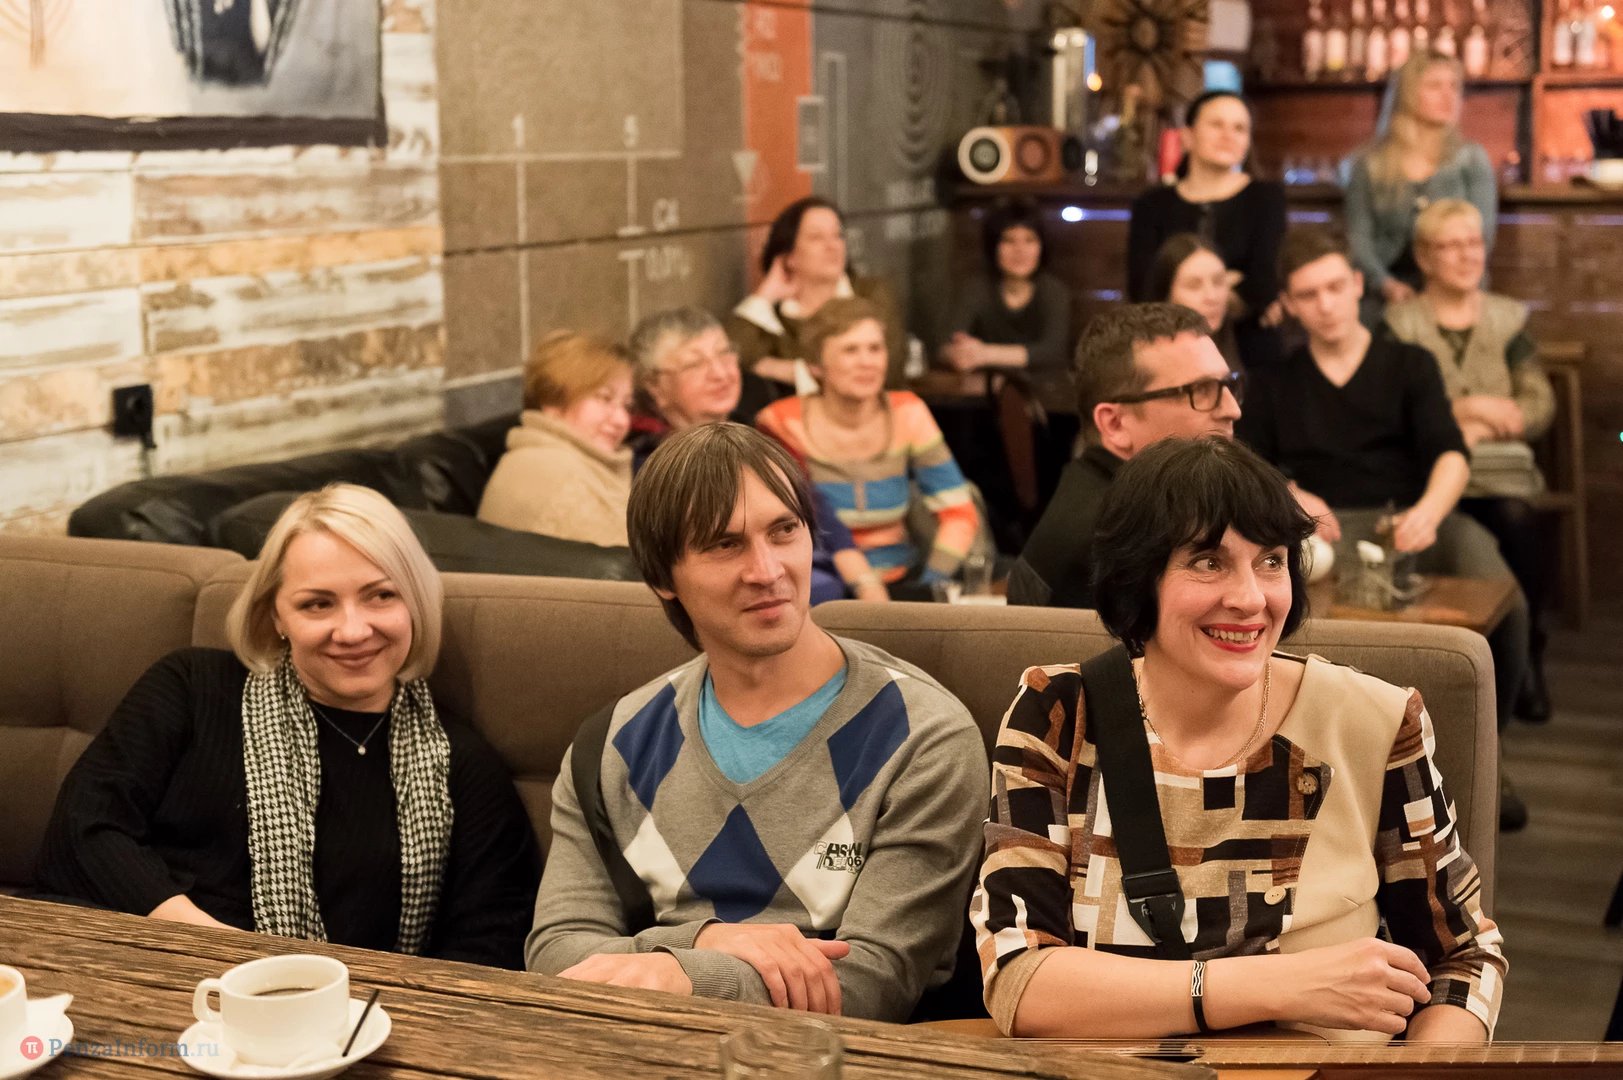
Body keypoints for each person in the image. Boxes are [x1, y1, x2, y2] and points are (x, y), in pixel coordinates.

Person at [976, 436, 1506, 1041]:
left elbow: (1463, 960)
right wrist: (1278, 985)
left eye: (1271, 561)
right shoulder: (1058, 714)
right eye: (1209, 562)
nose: (1251, 598)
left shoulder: (1375, 721)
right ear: (1138, 577)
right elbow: (1018, 979)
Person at [525, 423, 987, 1021]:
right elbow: (556, 950)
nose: (767, 570)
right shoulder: (611, 743)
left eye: (784, 530)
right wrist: (706, 940)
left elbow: (876, 981)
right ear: (662, 577)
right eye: (725, 544)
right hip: (639, 1043)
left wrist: (682, 975)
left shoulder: (923, 736)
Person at [34, 484, 542, 969]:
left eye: (381, 596)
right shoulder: (190, 688)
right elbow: (84, 829)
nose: (353, 630)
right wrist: (216, 949)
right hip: (141, 966)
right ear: (276, 615)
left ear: (415, 602)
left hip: (342, 1012)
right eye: (318, 603)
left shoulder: (463, 766)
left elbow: (488, 945)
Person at [1237, 227, 1531, 829]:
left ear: (1357, 285)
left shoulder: (1408, 364)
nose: (1325, 304)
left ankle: (1488, 753)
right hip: (1320, 530)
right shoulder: (1272, 381)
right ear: (1290, 304)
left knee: (1508, 602)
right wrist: (1291, 496)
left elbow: (1450, 453)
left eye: (1334, 287)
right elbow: (1248, 465)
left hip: (1415, 515)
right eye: (1308, 294)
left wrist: (1430, 511)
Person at [1386, 199, 1557, 722]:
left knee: (1517, 519)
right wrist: (1468, 409)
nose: (1467, 255)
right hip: (1426, 477)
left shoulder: (1508, 319)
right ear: (1424, 257)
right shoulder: (1399, 324)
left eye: (1474, 243)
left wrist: (1494, 423)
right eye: (1451, 245)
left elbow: (1538, 400)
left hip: (1500, 478)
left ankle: (1528, 656)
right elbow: (1392, 404)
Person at [628, 306, 888, 604]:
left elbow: (818, 511)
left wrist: (868, 586)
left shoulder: (760, 433)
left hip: (829, 595)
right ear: (655, 386)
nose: (720, 373)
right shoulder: (655, 466)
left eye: (725, 354)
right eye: (694, 364)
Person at [1007, 303, 1242, 609]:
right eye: (1201, 390)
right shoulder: (1127, 540)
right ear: (1115, 424)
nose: (1232, 410)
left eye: (1228, 385)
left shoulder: (1098, 492)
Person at [755, 298, 981, 590]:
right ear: (816, 365)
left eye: (875, 348)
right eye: (850, 350)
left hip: (903, 580)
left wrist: (931, 584)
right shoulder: (781, 422)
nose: (867, 362)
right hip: (820, 586)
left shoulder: (907, 412)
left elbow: (958, 511)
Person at [1127, 90, 1287, 368]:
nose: (1228, 135)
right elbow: (1144, 288)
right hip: (1169, 345)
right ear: (1187, 136)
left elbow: (1263, 285)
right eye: (1216, 125)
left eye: (1239, 128)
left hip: (1248, 350)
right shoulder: (1151, 204)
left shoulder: (1266, 198)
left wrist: (1186, 289)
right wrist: (1230, 281)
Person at [1344, 53, 1496, 328]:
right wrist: (1386, 285)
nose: (1448, 96)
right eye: (1434, 86)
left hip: (1455, 292)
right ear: (1407, 94)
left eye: (1453, 87)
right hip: (1384, 296)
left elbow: (1481, 235)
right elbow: (1358, 239)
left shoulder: (1471, 160)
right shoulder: (1370, 164)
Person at [728, 196, 909, 390]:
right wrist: (765, 295)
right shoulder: (773, 317)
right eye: (816, 237)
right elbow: (729, 360)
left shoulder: (872, 293)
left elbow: (890, 373)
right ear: (789, 257)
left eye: (838, 235)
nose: (832, 245)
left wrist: (794, 371)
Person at [477, 331, 635, 547]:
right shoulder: (562, 479)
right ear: (553, 400)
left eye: (626, 405)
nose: (622, 420)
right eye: (604, 398)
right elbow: (640, 564)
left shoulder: (541, 455)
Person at [940, 198, 1071, 375]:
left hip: (1042, 388)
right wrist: (956, 354)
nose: (1019, 250)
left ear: (1042, 247)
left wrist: (984, 354)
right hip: (982, 388)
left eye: (1029, 240)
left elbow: (1053, 352)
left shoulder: (1054, 291)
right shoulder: (976, 288)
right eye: (1008, 240)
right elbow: (944, 346)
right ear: (993, 246)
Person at [1146, 233, 1242, 371]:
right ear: (1165, 296)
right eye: (1194, 286)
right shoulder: (1148, 366)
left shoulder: (1233, 352)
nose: (1211, 296)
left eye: (1218, 281)